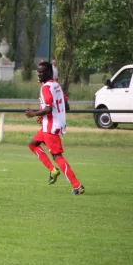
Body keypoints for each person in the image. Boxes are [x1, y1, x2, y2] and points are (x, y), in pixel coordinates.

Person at [25, 61, 85, 195]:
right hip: (52, 124)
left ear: (48, 73)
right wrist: (45, 115)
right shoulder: (56, 85)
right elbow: (66, 106)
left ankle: (77, 186)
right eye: (38, 71)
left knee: (57, 156)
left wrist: (33, 113)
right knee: (32, 144)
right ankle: (52, 170)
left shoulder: (46, 87)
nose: (38, 74)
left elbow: (47, 108)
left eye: (41, 72)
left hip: (50, 127)